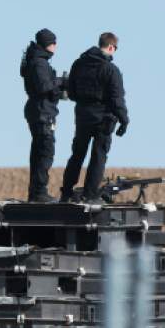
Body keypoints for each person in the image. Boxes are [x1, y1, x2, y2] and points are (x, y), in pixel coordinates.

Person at [60, 32, 129, 204]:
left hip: (83, 115)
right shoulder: (110, 70)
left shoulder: (78, 64)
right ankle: (90, 195)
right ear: (111, 47)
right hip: (104, 119)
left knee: (77, 154)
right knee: (98, 156)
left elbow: (72, 92)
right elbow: (116, 98)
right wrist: (124, 119)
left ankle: (66, 192)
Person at [20, 28, 64, 202]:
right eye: (54, 43)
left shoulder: (35, 60)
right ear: (49, 44)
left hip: (39, 109)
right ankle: (39, 192)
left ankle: (36, 191)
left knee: (39, 151)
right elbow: (44, 86)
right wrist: (61, 82)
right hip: (41, 111)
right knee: (45, 151)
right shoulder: (39, 62)